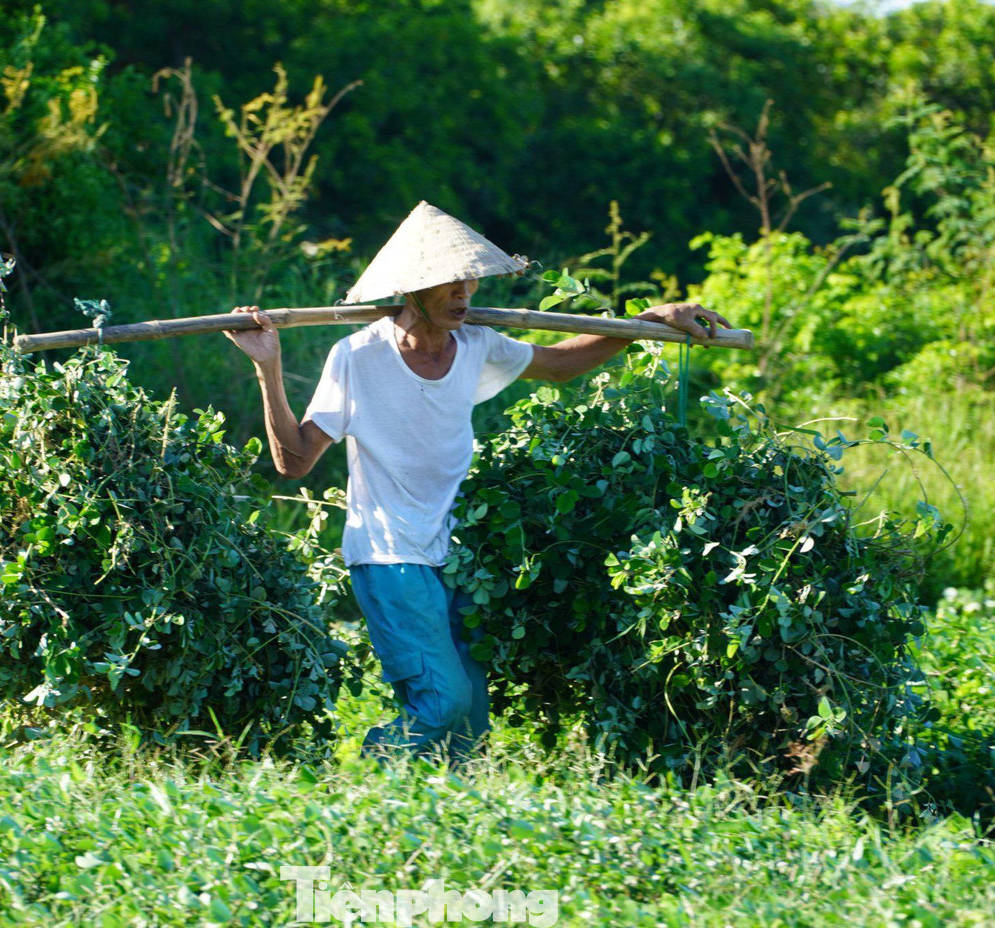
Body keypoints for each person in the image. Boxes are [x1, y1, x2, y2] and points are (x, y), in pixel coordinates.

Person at [225, 201, 728, 765]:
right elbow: (294, 462)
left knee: (469, 720)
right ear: (412, 292)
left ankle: (443, 817)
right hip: (390, 555)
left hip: (458, 553)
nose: (463, 293)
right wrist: (267, 366)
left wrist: (653, 320)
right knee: (441, 704)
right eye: (448, 284)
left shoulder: (476, 346)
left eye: (468, 280)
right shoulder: (357, 356)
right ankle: (372, 773)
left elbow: (560, 364)